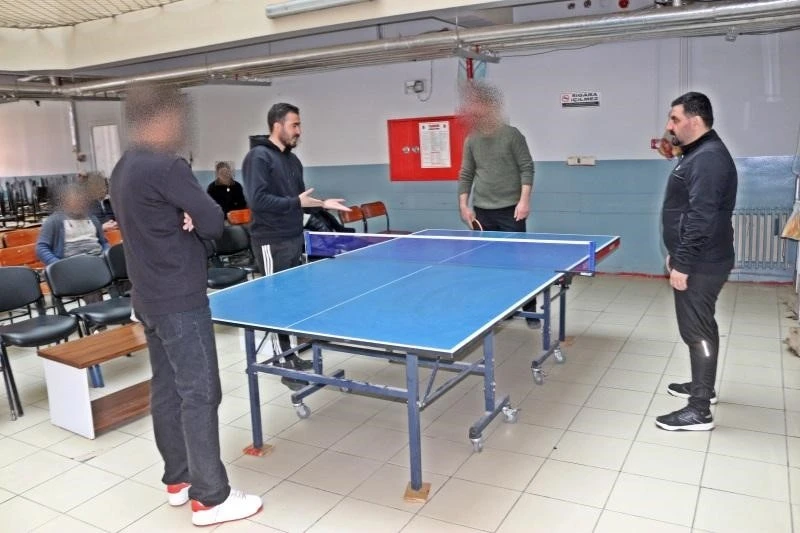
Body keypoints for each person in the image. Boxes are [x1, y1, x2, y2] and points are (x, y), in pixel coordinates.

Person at [110, 84, 262, 526]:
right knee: (200, 392)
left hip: (146, 297)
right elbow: (214, 221)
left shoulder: (123, 166)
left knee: (167, 388)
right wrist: (193, 216)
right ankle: (211, 498)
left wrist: (184, 215)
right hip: (179, 298)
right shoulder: (167, 165)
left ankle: (177, 479)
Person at [241, 102, 349, 386]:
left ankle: (292, 355)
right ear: (277, 125)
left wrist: (322, 204)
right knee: (275, 302)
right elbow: (257, 200)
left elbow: (300, 200)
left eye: (299, 125)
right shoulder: (258, 157)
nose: (299, 131)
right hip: (270, 240)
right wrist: (296, 202)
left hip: (293, 237)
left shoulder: (292, 160)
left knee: (290, 300)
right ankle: (282, 363)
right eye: (294, 125)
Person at [656, 91, 737, 431]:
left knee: (697, 332)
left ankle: (699, 410)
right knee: (703, 324)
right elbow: (688, 212)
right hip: (700, 258)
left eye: (675, 119)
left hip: (702, 263)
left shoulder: (707, 158)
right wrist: (677, 252)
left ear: (695, 120)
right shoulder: (698, 153)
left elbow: (702, 217)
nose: (669, 125)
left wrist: (684, 264)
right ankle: (703, 386)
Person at [456, 81, 539, 327]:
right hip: (483, 211)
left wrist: (524, 201)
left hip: (511, 210)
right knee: (491, 264)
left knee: (519, 262)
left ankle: (530, 310)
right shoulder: (471, 140)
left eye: (478, 104)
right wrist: (464, 205)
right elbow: (466, 173)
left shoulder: (512, 135)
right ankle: (504, 307)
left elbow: (527, 168)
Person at [36, 183, 110, 266]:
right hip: (70, 266)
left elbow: (104, 242)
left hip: (98, 261)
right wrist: (58, 265)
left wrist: (106, 256)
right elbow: (41, 248)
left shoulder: (93, 219)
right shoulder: (54, 220)